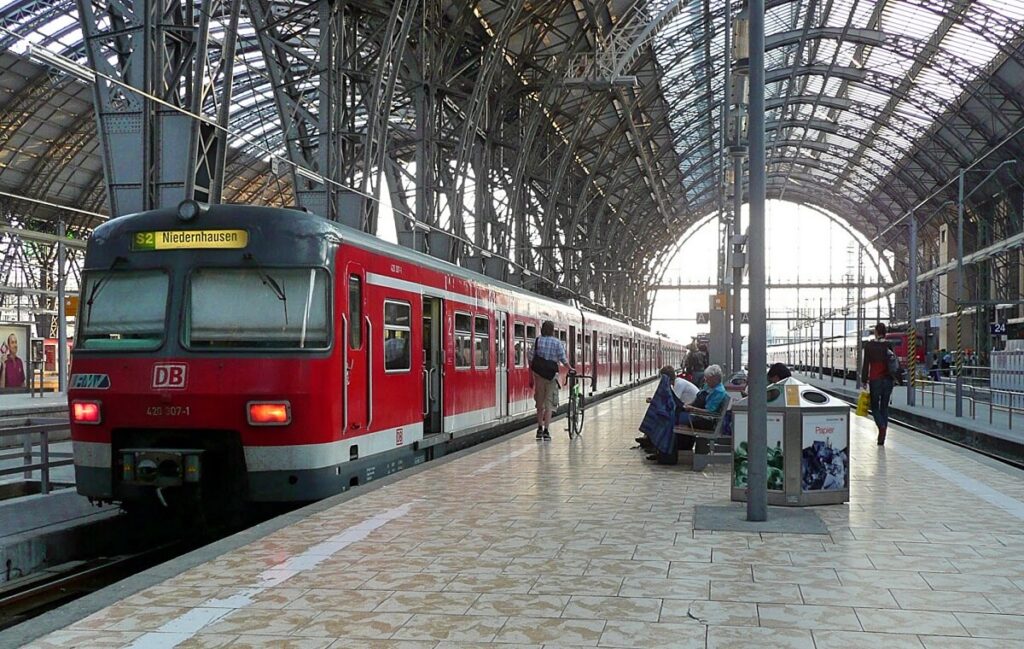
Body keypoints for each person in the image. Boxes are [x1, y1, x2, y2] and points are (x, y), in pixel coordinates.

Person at [528, 320, 571, 440]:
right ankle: (546, 430)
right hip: (551, 377)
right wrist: (570, 368)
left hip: (539, 377)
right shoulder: (557, 343)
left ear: (542, 329)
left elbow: (530, 358)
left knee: (539, 404)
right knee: (549, 405)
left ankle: (539, 428)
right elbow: (563, 359)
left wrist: (531, 374)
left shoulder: (537, 341)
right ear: (552, 330)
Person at [861, 322, 894, 446]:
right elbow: (892, 363)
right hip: (888, 380)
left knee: (874, 406)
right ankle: (882, 437)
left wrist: (864, 380)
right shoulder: (889, 345)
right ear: (885, 333)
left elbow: (866, 364)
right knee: (884, 407)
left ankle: (881, 427)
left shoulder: (869, 346)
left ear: (876, 332)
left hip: (875, 380)